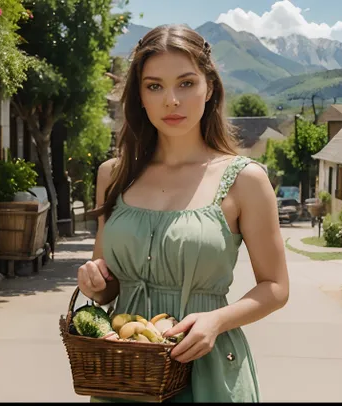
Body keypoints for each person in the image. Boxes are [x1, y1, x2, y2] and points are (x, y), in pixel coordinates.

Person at [77, 24, 290, 403]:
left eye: (186, 83)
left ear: (209, 88)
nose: (171, 100)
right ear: (139, 96)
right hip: (127, 373)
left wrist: (217, 320)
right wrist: (94, 281)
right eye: (154, 86)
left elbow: (275, 288)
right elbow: (107, 287)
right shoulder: (113, 175)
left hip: (208, 370)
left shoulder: (245, 180)